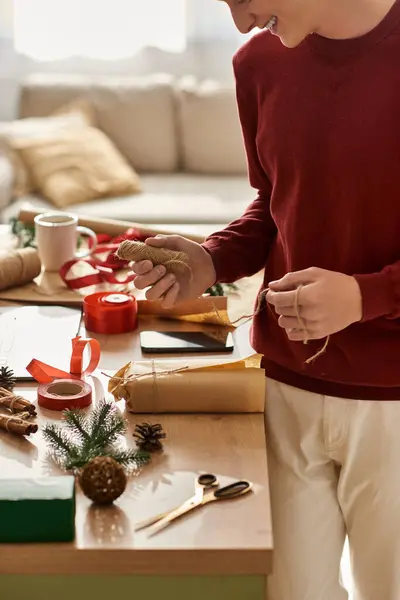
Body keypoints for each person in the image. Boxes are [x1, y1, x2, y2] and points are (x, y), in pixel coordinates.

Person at [132, 1, 400, 598]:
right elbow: (275, 204)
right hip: (284, 391)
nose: (242, 20)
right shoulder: (257, 63)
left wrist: (367, 296)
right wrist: (211, 258)